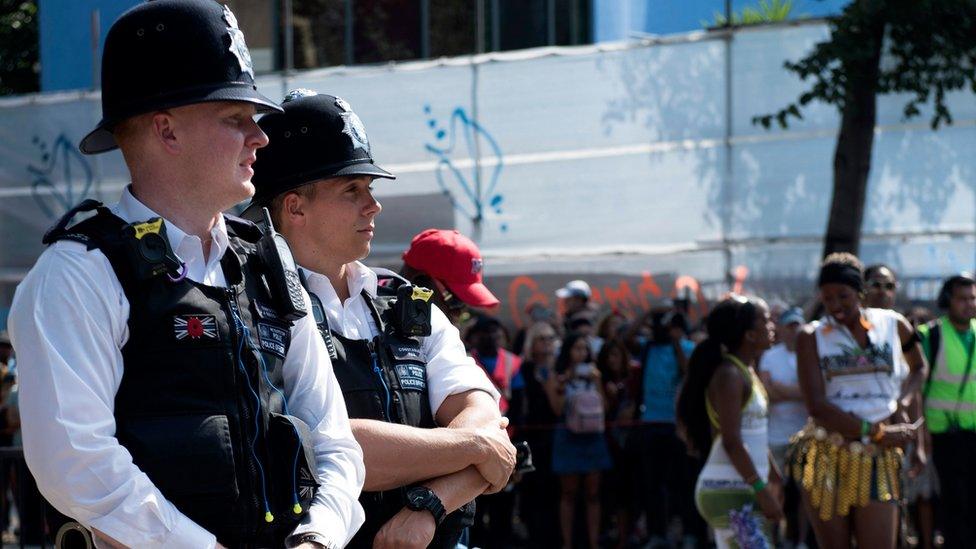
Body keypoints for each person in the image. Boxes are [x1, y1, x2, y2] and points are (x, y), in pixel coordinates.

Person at [8, 3, 365, 548]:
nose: (261, 138)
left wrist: (319, 537)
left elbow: (333, 438)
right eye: (235, 119)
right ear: (167, 131)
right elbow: (77, 465)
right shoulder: (79, 274)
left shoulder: (267, 263)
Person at [242, 89, 515, 549]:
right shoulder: (252, 305)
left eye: (370, 189)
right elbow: (338, 445)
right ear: (295, 206)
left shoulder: (404, 300)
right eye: (353, 190)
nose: (374, 205)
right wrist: (475, 448)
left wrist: (428, 505)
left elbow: (487, 420)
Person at [791, 253, 926, 548]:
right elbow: (817, 406)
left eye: (844, 296)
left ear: (860, 293)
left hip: (879, 457)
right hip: (829, 453)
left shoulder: (893, 324)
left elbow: (919, 366)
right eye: (828, 299)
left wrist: (901, 402)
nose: (837, 306)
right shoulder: (811, 336)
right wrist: (877, 432)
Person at [676, 296, 783, 548]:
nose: (772, 325)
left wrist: (774, 476)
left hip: (742, 487)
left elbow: (752, 434)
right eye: (766, 320)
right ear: (749, 335)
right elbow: (732, 442)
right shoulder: (730, 375)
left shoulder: (746, 371)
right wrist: (761, 489)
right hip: (728, 489)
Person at [864, 264, 939, 549]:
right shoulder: (850, 331)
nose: (883, 292)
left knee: (897, 508)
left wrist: (919, 443)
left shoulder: (899, 329)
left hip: (898, 441)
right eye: (876, 284)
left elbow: (917, 378)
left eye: (889, 286)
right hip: (857, 441)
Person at [631, 308, 702, 547]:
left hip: (678, 425)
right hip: (652, 423)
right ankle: (657, 534)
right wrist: (650, 312)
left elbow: (688, 372)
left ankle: (689, 532)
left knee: (684, 482)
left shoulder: (688, 347)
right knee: (653, 484)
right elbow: (627, 338)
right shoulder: (648, 347)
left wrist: (676, 342)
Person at [919, 273, 976, 548]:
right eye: (962, 299)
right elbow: (915, 388)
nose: (969, 305)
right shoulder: (931, 335)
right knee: (955, 503)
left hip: (974, 432)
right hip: (944, 434)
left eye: (972, 298)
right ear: (946, 301)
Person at [546, 332, 612, 549]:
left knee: (594, 494)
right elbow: (557, 408)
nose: (581, 353)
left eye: (584, 348)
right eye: (576, 348)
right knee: (568, 493)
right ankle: (567, 543)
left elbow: (605, 409)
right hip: (568, 436)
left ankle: (594, 543)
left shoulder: (595, 375)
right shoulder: (558, 375)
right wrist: (566, 382)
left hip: (594, 436)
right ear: (568, 351)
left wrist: (598, 381)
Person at [757, 306, 810, 548]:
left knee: (805, 495)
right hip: (775, 438)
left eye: (798, 325)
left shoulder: (810, 354)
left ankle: (801, 541)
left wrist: (783, 390)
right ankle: (772, 539)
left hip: (805, 437)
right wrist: (798, 392)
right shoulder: (770, 355)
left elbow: (812, 394)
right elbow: (768, 392)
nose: (795, 330)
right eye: (790, 326)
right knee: (773, 492)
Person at [514, 322, 562, 548]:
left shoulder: (559, 368)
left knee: (554, 490)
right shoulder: (522, 369)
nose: (547, 343)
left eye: (550, 338)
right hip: (529, 437)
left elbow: (559, 407)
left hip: (556, 437)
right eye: (541, 339)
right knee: (531, 491)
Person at [400, 228, 500, 327]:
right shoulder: (385, 334)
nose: (459, 313)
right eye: (456, 302)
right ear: (419, 283)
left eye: (465, 304)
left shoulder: (442, 336)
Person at [595, 338, 641, 549]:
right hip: (608, 444)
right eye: (609, 356)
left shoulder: (635, 377)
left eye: (616, 355)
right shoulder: (602, 381)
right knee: (610, 493)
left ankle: (628, 537)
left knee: (630, 493)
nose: (613, 360)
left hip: (632, 444)